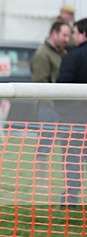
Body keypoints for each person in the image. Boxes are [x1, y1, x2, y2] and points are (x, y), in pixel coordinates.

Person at [31, 20, 71, 180]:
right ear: (54, 33)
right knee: (45, 144)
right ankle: (40, 179)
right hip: (48, 105)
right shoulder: (42, 54)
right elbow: (40, 82)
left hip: (61, 106)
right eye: (64, 35)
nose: (67, 39)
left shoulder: (62, 53)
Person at [55, 17, 87, 207]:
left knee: (73, 161)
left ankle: (70, 201)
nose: (72, 37)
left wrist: (62, 111)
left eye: (74, 32)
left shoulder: (73, 56)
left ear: (83, 33)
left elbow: (61, 88)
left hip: (74, 120)